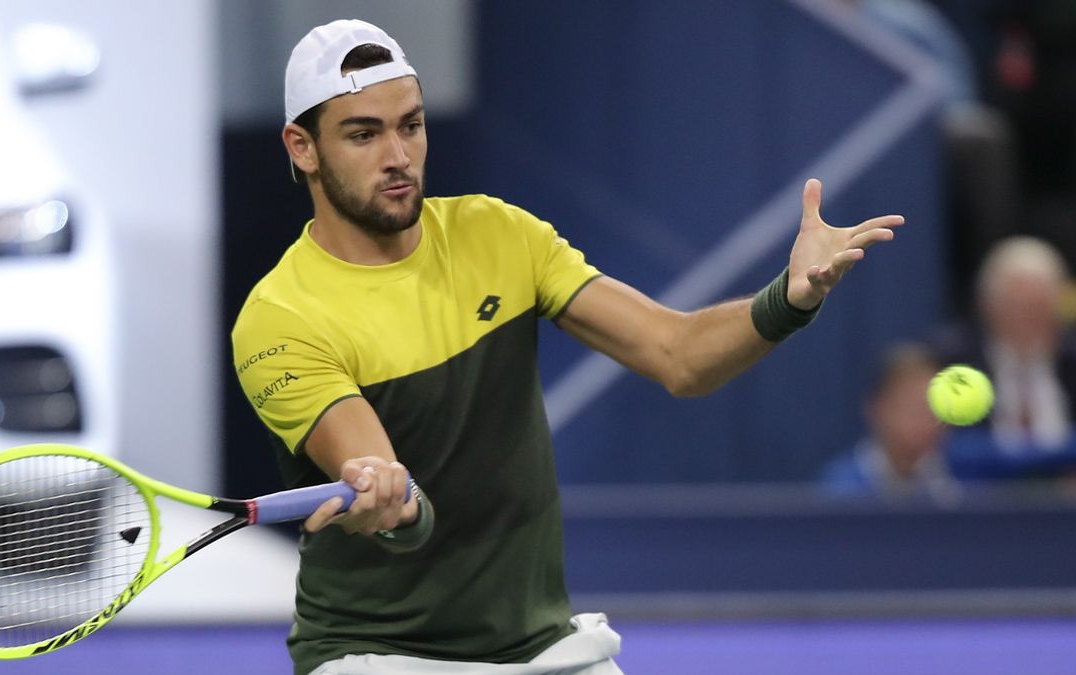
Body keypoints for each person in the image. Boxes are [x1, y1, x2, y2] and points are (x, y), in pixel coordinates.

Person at [231, 19, 904, 675]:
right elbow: (392, 492)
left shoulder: (499, 233)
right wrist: (391, 501)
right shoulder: (280, 318)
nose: (398, 155)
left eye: (410, 124)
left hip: (542, 646)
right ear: (302, 147)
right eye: (363, 134)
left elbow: (678, 355)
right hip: (380, 657)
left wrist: (791, 296)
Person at [937, 236, 1076, 454]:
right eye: (1016, 307)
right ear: (987, 306)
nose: (1027, 321)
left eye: (1038, 308)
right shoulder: (947, 362)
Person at [820, 342, 955, 499]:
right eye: (912, 408)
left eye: (936, 409)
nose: (927, 420)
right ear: (877, 408)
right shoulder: (840, 488)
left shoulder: (966, 469)